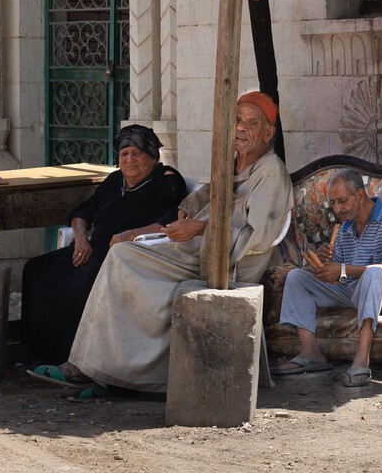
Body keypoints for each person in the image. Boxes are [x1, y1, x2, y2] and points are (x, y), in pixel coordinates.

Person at [31, 91, 294, 399]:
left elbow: (259, 236)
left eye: (251, 122)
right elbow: (209, 194)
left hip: (225, 262)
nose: (241, 128)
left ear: (268, 132)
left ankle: (108, 373)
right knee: (118, 259)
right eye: (237, 120)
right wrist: (189, 207)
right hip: (196, 249)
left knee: (122, 258)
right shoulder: (235, 163)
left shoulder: (271, 171)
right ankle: (102, 371)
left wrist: (198, 227)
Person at [21, 125, 188, 366]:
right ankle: (36, 352)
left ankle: (72, 360)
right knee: (37, 270)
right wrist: (80, 238)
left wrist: (129, 235)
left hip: (126, 259)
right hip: (92, 251)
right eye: (124, 154)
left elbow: (172, 219)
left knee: (81, 284)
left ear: (153, 157)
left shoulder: (167, 181)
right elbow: (83, 212)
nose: (129, 160)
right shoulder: (115, 180)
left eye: (137, 153)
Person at [271, 168, 382, 387]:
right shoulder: (345, 229)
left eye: (342, 201)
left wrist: (342, 270)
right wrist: (325, 266)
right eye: (333, 202)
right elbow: (340, 279)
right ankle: (311, 352)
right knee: (297, 278)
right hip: (356, 290)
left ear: (360, 195)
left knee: (374, 273)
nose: (337, 209)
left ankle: (362, 358)